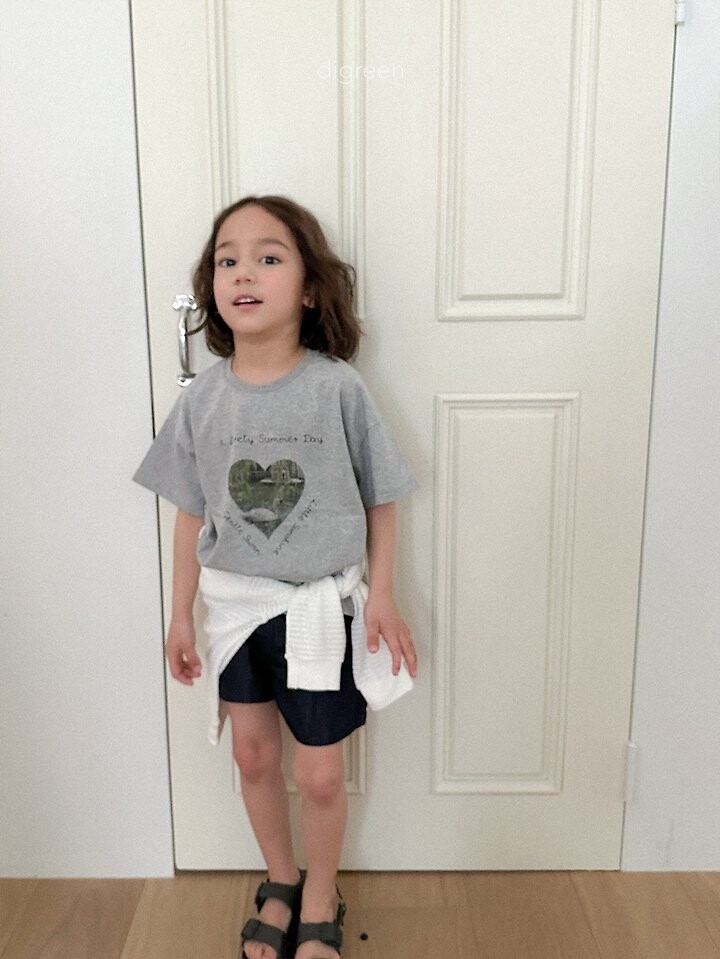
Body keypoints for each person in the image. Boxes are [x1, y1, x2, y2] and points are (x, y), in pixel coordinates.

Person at [134, 195, 418, 959]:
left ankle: (322, 896)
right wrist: (180, 612)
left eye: (268, 257)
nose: (244, 273)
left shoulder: (337, 388)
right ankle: (282, 879)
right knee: (253, 756)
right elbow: (190, 513)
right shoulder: (203, 400)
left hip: (319, 610)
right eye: (228, 259)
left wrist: (383, 594)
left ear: (311, 288)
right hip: (235, 610)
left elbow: (382, 494)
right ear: (211, 286)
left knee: (320, 775)